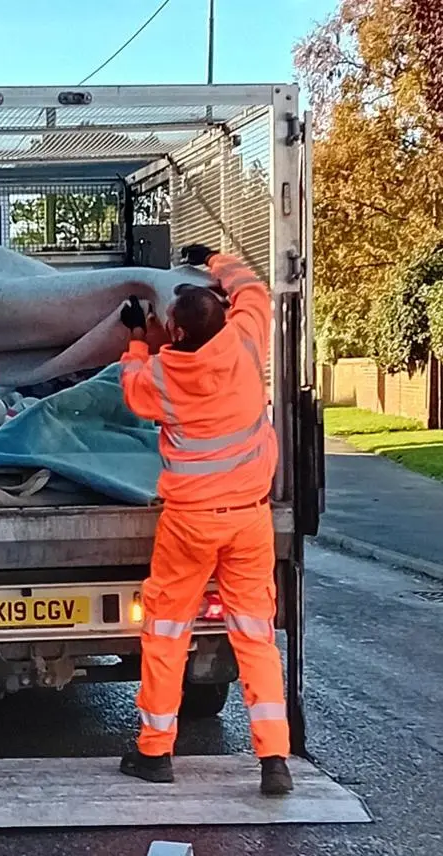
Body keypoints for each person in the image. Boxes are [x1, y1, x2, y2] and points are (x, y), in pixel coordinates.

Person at [116, 243, 294, 796]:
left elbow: (132, 389)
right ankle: (274, 760)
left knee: (168, 631)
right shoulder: (245, 342)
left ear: (176, 335)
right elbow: (253, 291)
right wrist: (215, 257)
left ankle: (155, 753)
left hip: (189, 523)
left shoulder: (164, 376)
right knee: (254, 636)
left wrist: (135, 341)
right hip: (248, 519)